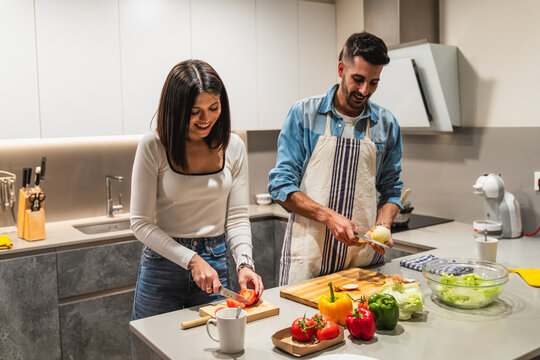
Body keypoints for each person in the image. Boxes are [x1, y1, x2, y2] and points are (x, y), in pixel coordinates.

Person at [130, 59, 264, 320]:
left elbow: (236, 218)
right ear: (175, 110)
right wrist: (191, 259)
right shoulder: (153, 147)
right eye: (195, 111)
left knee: (213, 346)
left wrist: (245, 264)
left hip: (214, 263)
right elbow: (141, 223)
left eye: (214, 108)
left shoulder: (234, 146)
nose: (206, 119)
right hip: (162, 265)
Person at [267, 32, 403, 285]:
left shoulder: (386, 124)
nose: (365, 91)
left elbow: (391, 190)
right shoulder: (305, 114)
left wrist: (382, 227)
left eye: (374, 82)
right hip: (310, 256)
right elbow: (280, 186)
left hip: (362, 259)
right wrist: (329, 217)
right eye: (358, 79)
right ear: (341, 68)